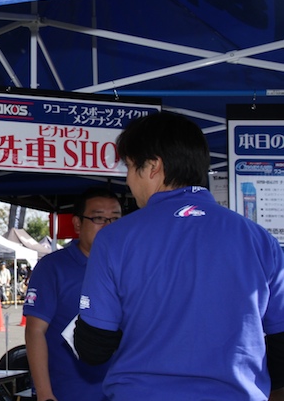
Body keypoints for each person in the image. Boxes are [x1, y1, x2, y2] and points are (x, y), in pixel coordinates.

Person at [75, 113, 284, 400]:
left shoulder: (114, 238)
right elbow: (281, 344)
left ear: (153, 167)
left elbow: (93, 349)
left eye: (131, 166)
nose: (127, 179)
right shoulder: (261, 241)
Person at [24, 187, 122, 401]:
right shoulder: (53, 267)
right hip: (67, 392)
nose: (108, 226)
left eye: (115, 219)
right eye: (99, 218)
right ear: (78, 224)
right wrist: (44, 393)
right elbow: (35, 331)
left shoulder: (130, 267)